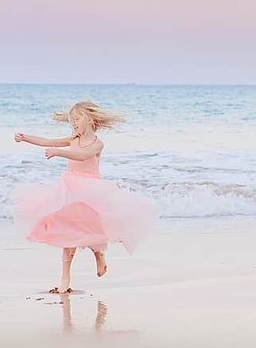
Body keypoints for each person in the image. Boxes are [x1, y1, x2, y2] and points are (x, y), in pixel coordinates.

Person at [14, 101, 157, 293]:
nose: (73, 123)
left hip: (91, 192)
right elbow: (48, 142)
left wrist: (59, 152)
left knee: (90, 230)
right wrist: (25, 138)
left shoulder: (97, 144)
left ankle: (99, 255)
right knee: (68, 233)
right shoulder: (73, 139)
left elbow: (82, 156)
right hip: (70, 189)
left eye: (77, 119)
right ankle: (65, 278)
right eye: (71, 120)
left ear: (89, 119)